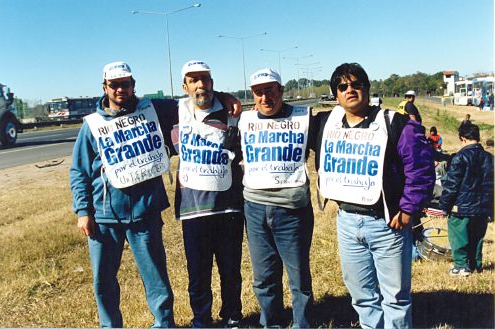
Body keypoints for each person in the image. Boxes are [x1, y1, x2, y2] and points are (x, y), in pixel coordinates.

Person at [313, 63, 435, 328]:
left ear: (367, 89)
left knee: (395, 299)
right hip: (346, 223)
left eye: (357, 84)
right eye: (343, 87)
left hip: (386, 224)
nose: (350, 90)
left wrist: (409, 208)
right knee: (362, 297)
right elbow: (281, 120)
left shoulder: (394, 123)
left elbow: (421, 168)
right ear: (335, 95)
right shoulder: (326, 123)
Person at [70, 61, 176, 328]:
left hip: (145, 214)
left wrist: (224, 97)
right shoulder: (92, 125)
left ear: (133, 85)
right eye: (114, 84)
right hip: (105, 217)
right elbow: (79, 170)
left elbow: (191, 104)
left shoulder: (152, 110)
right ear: (105, 87)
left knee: (156, 280)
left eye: (125, 84)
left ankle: (163, 324)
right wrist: (83, 211)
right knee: (103, 282)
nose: (120, 89)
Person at [238, 68, 314, 328]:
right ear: (253, 94)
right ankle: (271, 323)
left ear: (281, 91)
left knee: (298, 276)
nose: (264, 98)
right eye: (259, 92)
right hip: (255, 209)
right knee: (263, 277)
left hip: (292, 211)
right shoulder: (244, 121)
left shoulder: (305, 117)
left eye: (270, 91)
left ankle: (302, 323)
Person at [173, 60, 244, 328]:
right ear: (185, 86)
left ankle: (232, 316)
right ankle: (201, 320)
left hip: (228, 208)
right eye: (194, 80)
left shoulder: (231, 113)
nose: (200, 84)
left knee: (230, 270)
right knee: (198, 274)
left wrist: (227, 97)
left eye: (205, 79)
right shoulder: (174, 111)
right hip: (193, 210)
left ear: (212, 82)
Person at [439, 124, 494, 276]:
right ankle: (475, 264)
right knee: (477, 238)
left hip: (461, 206)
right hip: (482, 207)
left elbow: (451, 185)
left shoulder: (460, 157)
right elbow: (491, 186)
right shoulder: (490, 158)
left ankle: (461, 266)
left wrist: (444, 206)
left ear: (463, 138)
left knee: (459, 237)